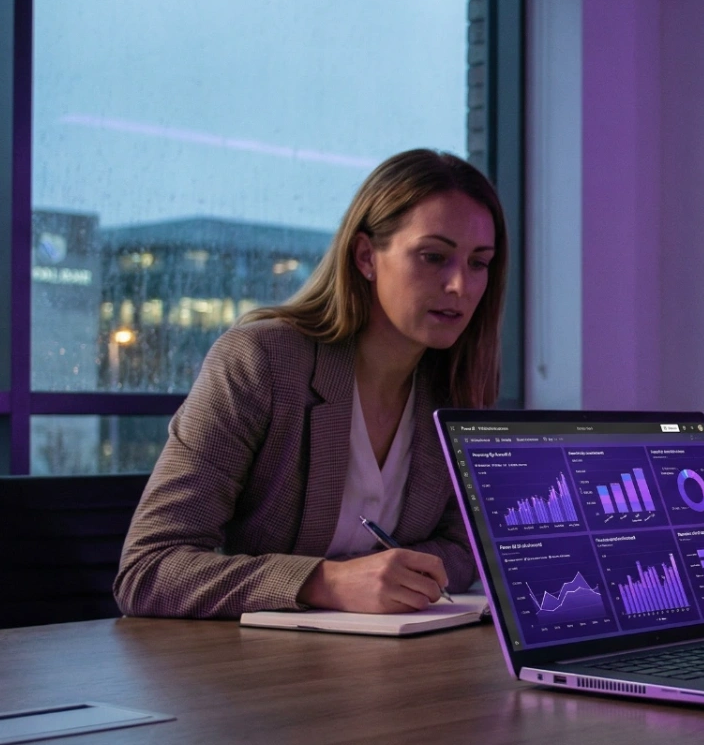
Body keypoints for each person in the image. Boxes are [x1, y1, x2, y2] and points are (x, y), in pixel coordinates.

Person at [114, 149, 506, 619]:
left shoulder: (458, 385)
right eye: (433, 257)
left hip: (394, 662)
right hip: (250, 672)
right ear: (366, 257)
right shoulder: (263, 361)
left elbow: (466, 547)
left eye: (479, 263)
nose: (461, 286)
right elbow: (149, 569)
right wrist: (326, 582)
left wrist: (395, 577)